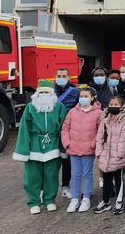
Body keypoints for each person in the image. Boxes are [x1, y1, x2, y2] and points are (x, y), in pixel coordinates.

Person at [13, 79, 67, 214]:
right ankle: (34, 201)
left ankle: (49, 200)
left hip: (53, 144)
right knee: (32, 175)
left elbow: (63, 128)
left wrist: (63, 147)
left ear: (52, 94)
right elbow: (24, 129)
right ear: (36, 93)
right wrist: (23, 150)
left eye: (47, 92)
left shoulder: (59, 107)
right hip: (34, 145)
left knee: (51, 174)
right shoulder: (30, 107)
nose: (44, 95)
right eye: (41, 92)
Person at [61, 87, 102, 213]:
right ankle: (74, 199)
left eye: (85, 96)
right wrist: (67, 143)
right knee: (75, 174)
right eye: (81, 96)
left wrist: (93, 144)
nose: (82, 98)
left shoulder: (98, 113)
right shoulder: (73, 112)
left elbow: (100, 131)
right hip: (73, 148)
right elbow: (65, 129)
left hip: (88, 149)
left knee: (87, 174)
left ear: (92, 98)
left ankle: (86, 198)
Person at [94, 95, 125, 215]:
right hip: (106, 154)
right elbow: (99, 137)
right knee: (106, 179)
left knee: (118, 179)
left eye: (116, 105)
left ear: (122, 107)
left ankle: (119, 202)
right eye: (111, 104)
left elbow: (123, 138)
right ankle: (105, 201)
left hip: (118, 155)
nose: (113, 107)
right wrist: (99, 151)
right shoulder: (104, 120)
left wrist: (119, 154)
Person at [54, 68, 80, 200]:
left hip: (68, 132)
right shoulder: (49, 91)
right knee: (51, 162)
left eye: (64, 76)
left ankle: (66, 187)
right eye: (59, 76)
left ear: (69, 77)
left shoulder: (76, 92)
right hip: (52, 133)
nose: (61, 78)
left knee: (67, 161)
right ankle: (47, 191)